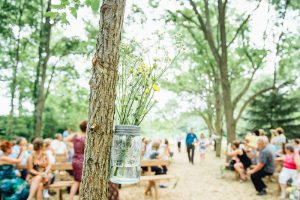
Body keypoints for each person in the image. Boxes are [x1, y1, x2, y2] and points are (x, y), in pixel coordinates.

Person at [65, 120, 87, 200]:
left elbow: (66, 139)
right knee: (81, 181)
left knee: (76, 180)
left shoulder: (76, 135)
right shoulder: (86, 138)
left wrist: (72, 145)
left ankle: (71, 198)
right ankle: (81, 198)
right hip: (82, 160)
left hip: (74, 160)